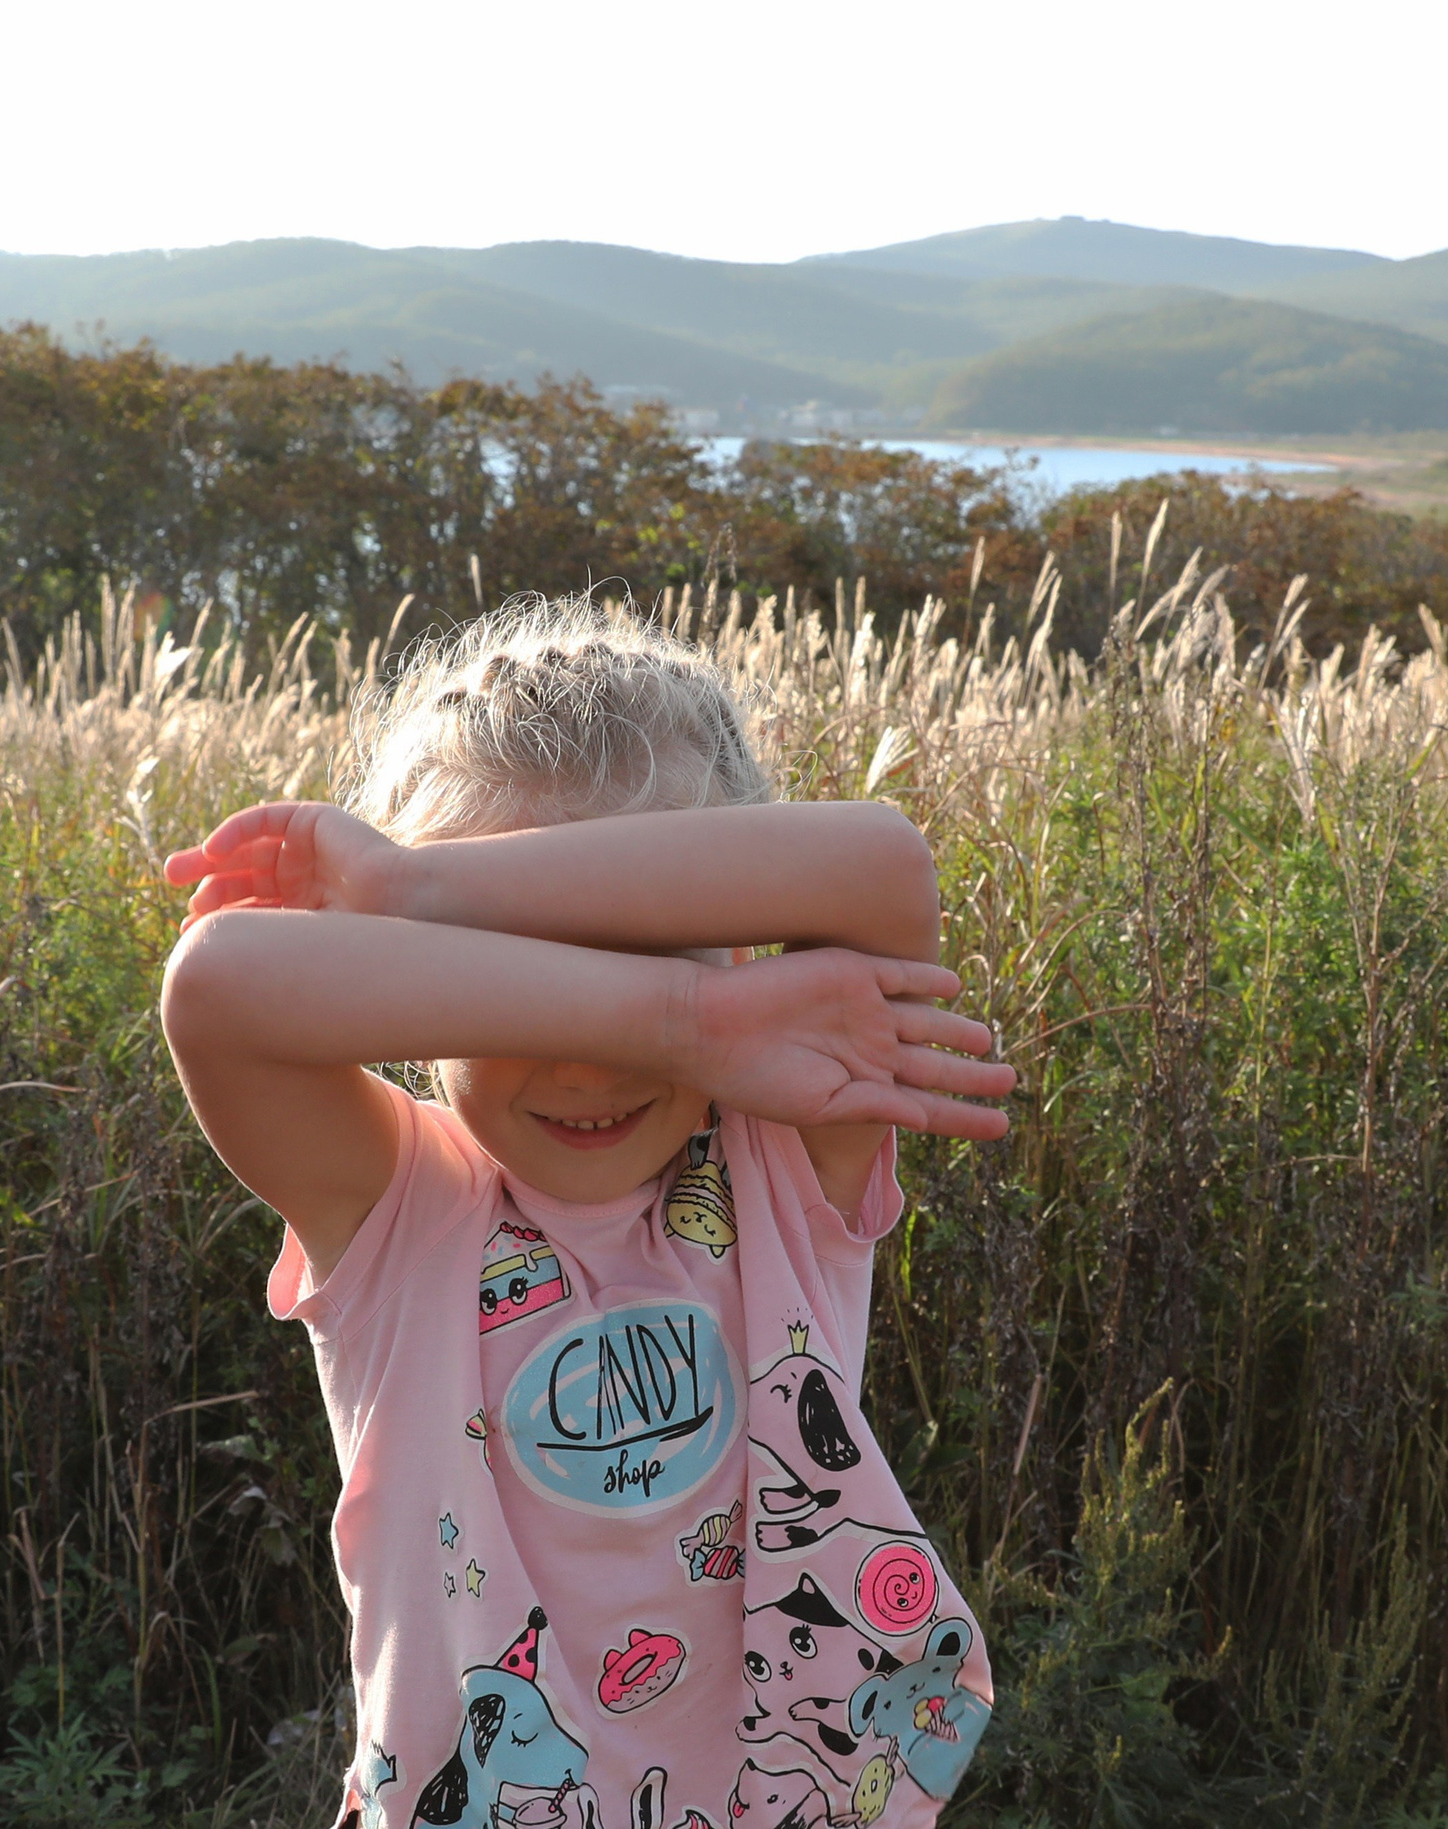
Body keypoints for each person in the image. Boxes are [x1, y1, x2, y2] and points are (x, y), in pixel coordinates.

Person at [160, 598, 1014, 1829]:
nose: (580, 1063)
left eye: (644, 959)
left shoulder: (782, 1158)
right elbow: (220, 985)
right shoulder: (405, 1208)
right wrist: (682, 1012)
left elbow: (879, 862)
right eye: (527, 977)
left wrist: (429, 884)